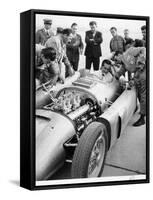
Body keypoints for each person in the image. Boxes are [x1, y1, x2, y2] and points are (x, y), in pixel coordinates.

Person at [114, 45, 146, 126]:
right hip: (138, 74)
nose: (115, 62)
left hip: (144, 72)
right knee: (139, 92)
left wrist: (140, 62)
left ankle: (142, 118)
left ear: (119, 55)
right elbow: (124, 68)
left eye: (115, 59)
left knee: (143, 95)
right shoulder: (124, 62)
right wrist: (117, 75)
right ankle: (144, 110)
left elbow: (143, 49)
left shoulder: (129, 51)